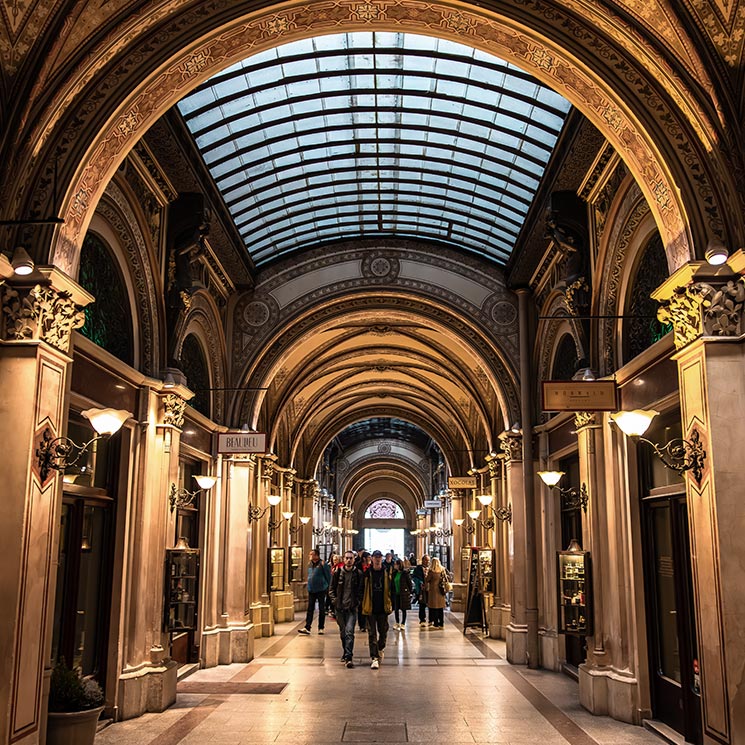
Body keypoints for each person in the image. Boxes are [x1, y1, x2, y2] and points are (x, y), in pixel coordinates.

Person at [328, 550, 363, 668]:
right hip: (340, 608)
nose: (348, 560)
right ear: (344, 559)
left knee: (349, 632)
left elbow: (360, 590)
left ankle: (349, 656)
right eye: (347, 558)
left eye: (351, 558)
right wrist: (335, 601)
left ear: (354, 560)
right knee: (343, 632)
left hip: (352, 608)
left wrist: (357, 602)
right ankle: (345, 651)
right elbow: (331, 589)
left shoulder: (358, 574)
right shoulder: (337, 573)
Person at [361, 549, 392, 669]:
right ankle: (374, 657)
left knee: (383, 632)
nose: (377, 559)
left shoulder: (387, 572)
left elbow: (391, 589)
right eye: (375, 557)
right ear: (372, 559)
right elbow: (362, 588)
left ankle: (380, 648)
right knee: (372, 633)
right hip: (371, 607)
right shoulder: (367, 573)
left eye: (379, 557)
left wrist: (392, 603)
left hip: (383, 607)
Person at [298, 548, 331, 635]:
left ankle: (321, 627)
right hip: (311, 589)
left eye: (311, 554)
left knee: (321, 609)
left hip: (321, 589)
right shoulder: (310, 564)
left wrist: (328, 587)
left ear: (316, 555)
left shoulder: (323, 564)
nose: (310, 556)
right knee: (310, 609)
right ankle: (307, 627)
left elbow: (328, 576)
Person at [424, 556, 446, 628]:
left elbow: (427, 580)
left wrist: (426, 575)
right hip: (441, 590)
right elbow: (446, 578)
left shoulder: (431, 571)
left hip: (433, 591)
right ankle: (441, 623)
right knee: (440, 608)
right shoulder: (442, 570)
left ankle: (436, 623)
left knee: (434, 607)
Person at [391, 558, 413, 630]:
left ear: (399, 565)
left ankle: (403, 623)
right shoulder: (394, 574)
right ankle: (397, 622)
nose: (394, 566)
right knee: (396, 609)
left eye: (395, 564)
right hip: (396, 593)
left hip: (403, 593)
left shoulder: (405, 574)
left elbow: (409, 583)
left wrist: (410, 592)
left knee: (403, 609)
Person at [411, 554, 430, 626]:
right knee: (422, 604)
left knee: (430, 604)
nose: (427, 562)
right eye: (426, 560)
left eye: (428, 560)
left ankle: (431, 619)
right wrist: (420, 583)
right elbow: (415, 577)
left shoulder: (430, 568)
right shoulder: (418, 568)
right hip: (421, 589)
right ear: (423, 560)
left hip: (429, 589)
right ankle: (422, 619)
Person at [357, 551, 371, 631]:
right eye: (368, 557)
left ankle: (367, 623)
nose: (370, 559)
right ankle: (362, 625)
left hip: (368, 588)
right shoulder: (358, 566)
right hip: (360, 588)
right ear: (364, 558)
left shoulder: (370, 566)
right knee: (361, 607)